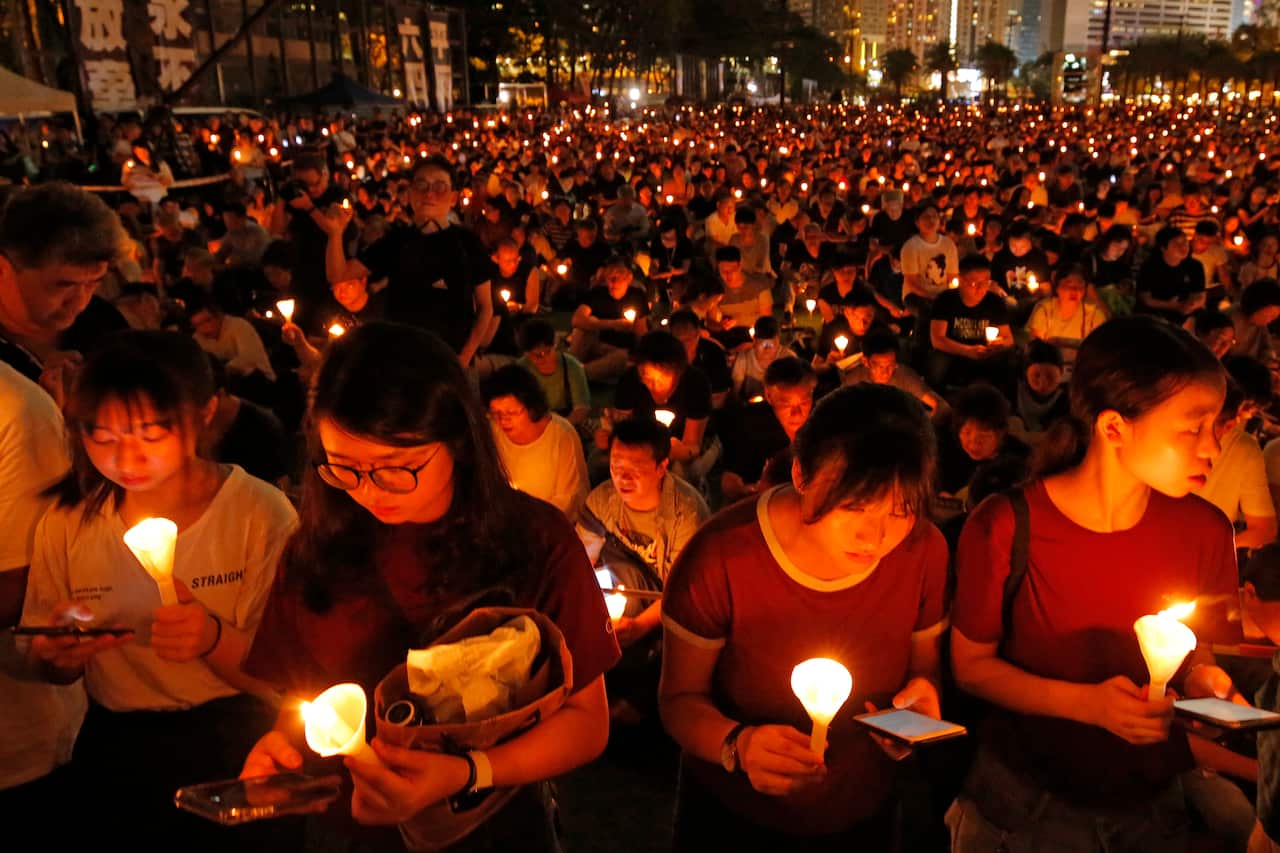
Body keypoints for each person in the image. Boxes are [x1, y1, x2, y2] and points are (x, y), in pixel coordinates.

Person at [237, 323, 618, 851]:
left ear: (459, 439)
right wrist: (285, 742)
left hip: (486, 825)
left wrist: (467, 771)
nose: (368, 492)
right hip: (354, 830)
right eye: (344, 468)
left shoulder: (533, 539)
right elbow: (305, 697)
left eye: (397, 468)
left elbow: (586, 722)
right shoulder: (316, 548)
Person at [949, 316, 1247, 852]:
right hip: (1024, 807)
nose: (1212, 449)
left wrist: (1210, 690)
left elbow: (1199, 652)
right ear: (1114, 428)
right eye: (1192, 428)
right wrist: (1088, 705)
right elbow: (971, 668)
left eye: (1217, 427)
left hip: (1151, 805)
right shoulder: (1006, 526)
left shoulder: (1206, 529)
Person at [21, 330, 296, 849]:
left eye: (150, 435)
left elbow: (286, 676)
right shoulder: (69, 521)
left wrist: (213, 638)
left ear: (205, 413)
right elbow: (48, 662)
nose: (126, 459)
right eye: (102, 437)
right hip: (118, 746)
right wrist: (57, 655)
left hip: (236, 738)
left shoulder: (258, 513)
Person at [660, 382, 948, 851]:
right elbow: (678, 699)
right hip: (733, 816)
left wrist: (918, 707)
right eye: (854, 505)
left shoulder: (923, 551)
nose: (874, 536)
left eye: (900, 511)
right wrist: (739, 745)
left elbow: (923, 668)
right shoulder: (721, 558)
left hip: (860, 810)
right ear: (801, 474)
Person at [0, 183, 125, 819]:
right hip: (23, 728)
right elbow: (21, 586)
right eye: (60, 285)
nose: (79, 303)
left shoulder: (29, 374)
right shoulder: (21, 409)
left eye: (92, 284)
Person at [576, 417, 710, 721]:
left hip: (672, 595)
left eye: (634, 468)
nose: (622, 478)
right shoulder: (604, 499)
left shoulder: (685, 514)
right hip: (625, 582)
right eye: (615, 465)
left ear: (662, 467)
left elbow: (683, 593)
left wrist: (640, 627)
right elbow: (580, 560)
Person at [322, 155, 496, 368]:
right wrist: (335, 234)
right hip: (402, 359)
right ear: (411, 194)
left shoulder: (468, 242)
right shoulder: (396, 240)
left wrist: (465, 356)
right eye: (421, 185)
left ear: (453, 198)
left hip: (451, 360)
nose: (429, 194)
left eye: (439, 187)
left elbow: (486, 306)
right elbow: (339, 274)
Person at [481, 364, 589, 522]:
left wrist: (530, 518)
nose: (503, 420)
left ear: (531, 407)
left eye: (512, 412)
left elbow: (570, 499)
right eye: (496, 413)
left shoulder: (561, 435)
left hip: (552, 523)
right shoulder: (493, 430)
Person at [1195, 356, 1277, 551]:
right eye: (1247, 406)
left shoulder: (1244, 448)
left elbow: (1265, 529)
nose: (1247, 415)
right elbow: (1265, 530)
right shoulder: (1244, 448)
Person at [612, 331, 714, 483]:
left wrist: (672, 451)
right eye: (647, 377)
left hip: (692, 444)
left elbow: (693, 446)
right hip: (644, 444)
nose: (654, 384)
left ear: (678, 372)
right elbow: (623, 430)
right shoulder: (630, 381)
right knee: (599, 461)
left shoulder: (696, 383)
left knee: (679, 472)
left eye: (661, 378)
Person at [719, 358, 817, 503]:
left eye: (804, 403)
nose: (797, 413)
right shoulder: (751, 425)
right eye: (786, 404)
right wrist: (743, 490)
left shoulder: (822, 422)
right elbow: (729, 479)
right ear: (769, 396)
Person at [926, 254, 1014, 392]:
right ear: (960, 280)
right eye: (974, 283)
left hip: (985, 352)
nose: (980, 289)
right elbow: (937, 339)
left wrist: (998, 344)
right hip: (953, 351)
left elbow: (1008, 339)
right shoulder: (946, 300)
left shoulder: (994, 302)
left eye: (985, 282)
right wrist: (966, 350)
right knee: (937, 362)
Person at [568, 258, 649, 382]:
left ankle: (573, 374)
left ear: (628, 278)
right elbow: (576, 320)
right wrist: (613, 324)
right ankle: (572, 369)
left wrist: (642, 358)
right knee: (583, 329)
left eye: (618, 276)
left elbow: (641, 332)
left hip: (617, 351)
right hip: (595, 344)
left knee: (621, 358)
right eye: (610, 276)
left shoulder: (637, 296)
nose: (613, 281)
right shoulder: (597, 293)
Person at [843, 325, 942, 417]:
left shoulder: (904, 376)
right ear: (865, 362)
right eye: (879, 366)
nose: (886, 372)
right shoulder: (854, 380)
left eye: (891, 365)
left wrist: (922, 426)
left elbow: (942, 407)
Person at [1025, 265, 1108, 367]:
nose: (1074, 291)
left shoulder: (1094, 314)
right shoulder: (1045, 309)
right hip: (1050, 366)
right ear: (1057, 288)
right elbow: (1035, 346)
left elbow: (1100, 347)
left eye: (1079, 285)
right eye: (1068, 284)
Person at [515, 319, 591, 427]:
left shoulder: (571, 366)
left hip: (566, 423)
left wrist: (556, 428)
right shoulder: (522, 368)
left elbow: (581, 408)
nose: (538, 360)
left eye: (543, 353)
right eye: (531, 355)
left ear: (554, 345)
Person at [1136, 225, 1207, 324]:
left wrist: (1191, 305)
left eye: (1185, 242)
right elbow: (1146, 298)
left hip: (1186, 311)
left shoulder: (1195, 266)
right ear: (1163, 248)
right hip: (1158, 313)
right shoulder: (1150, 267)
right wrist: (1173, 306)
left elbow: (1200, 295)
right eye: (1176, 243)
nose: (1183, 247)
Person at [1228, 279, 1280, 365]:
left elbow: (1266, 346)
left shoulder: (1259, 323)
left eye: (1273, 318)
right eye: (1270, 316)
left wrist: (1270, 360)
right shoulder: (1230, 322)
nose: (1269, 321)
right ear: (1257, 305)